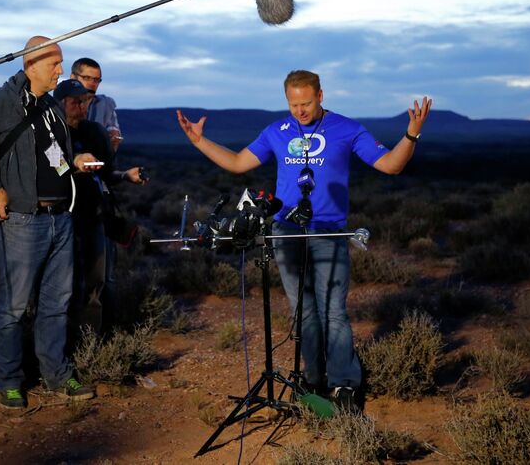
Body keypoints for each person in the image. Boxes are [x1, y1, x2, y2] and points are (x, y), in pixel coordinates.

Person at [177, 69, 431, 411]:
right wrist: (198, 142)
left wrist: (411, 135)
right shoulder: (276, 132)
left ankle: (344, 385)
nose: (300, 110)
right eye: (293, 104)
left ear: (321, 96)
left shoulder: (347, 129)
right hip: (286, 231)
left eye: (306, 103)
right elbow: (238, 163)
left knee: (333, 311)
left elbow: (390, 165)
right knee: (303, 311)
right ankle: (313, 381)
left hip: (328, 232)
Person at [0, 36, 100, 410]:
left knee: (57, 303)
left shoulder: (50, 107)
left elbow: (54, 154)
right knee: (14, 306)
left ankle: (56, 374)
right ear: (31, 65)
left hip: (61, 218)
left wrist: (75, 162)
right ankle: (8, 381)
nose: (60, 71)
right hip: (23, 221)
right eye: (55, 64)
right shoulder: (0, 103)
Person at [53, 79, 146, 337]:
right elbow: (47, 171)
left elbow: (105, 174)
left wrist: (125, 175)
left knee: (96, 284)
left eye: (85, 102)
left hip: (93, 217)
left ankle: (90, 344)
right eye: (76, 103)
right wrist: (74, 164)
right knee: (63, 286)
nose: (82, 108)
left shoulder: (94, 132)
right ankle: (61, 346)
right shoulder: (48, 132)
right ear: (60, 103)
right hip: (61, 219)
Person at [69, 57, 123, 152]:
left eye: (96, 80)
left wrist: (113, 134)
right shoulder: (57, 106)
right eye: (86, 78)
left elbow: (112, 127)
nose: (92, 84)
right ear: (73, 77)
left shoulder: (105, 104)